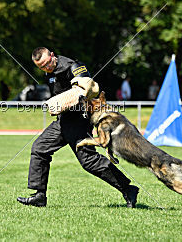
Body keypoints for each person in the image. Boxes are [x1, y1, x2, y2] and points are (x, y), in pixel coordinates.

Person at [17, 47, 139, 208]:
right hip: (63, 120)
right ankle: (39, 195)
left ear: (52, 55)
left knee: (88, 161)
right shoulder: (49, 71)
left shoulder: (73, 66)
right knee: (39, 148)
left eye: (47, 64)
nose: (46, 68)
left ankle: (128, 189)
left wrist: (69, 100)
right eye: (42, 67)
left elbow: (86, 86)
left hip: (78, 120)